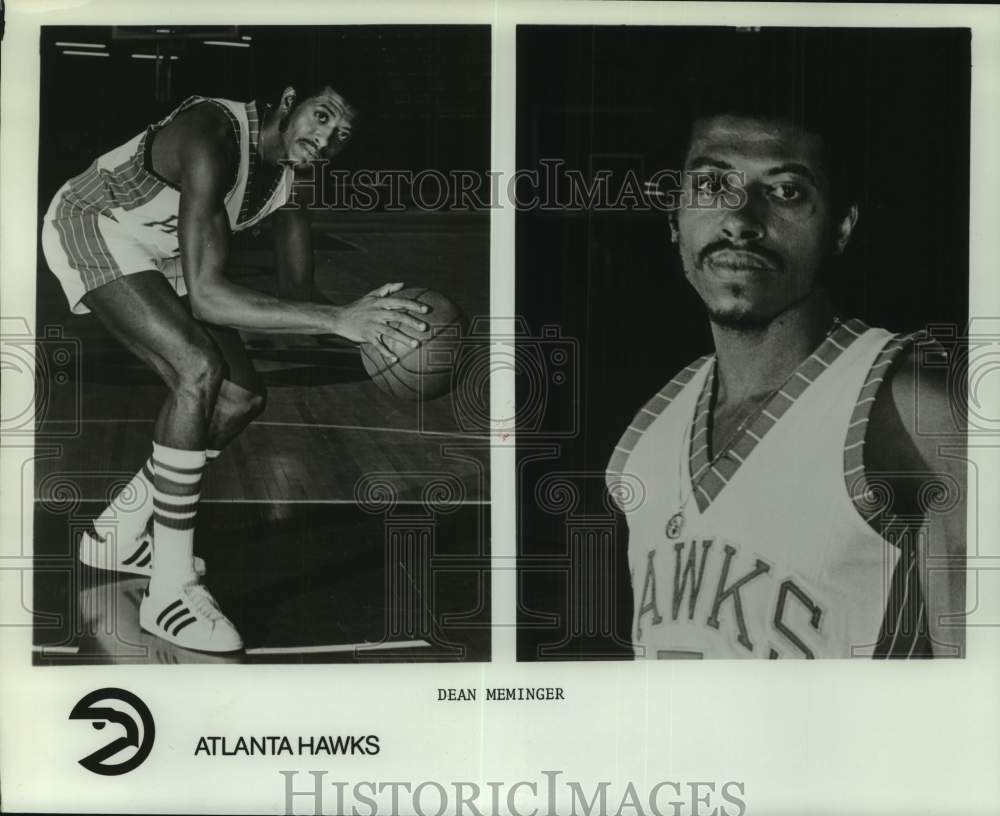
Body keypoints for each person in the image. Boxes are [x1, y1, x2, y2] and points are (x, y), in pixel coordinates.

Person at [42, 82, 431, 653]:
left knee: (241, 397)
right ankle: (169, 591)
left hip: (164, 256)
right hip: (94, 225)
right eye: (320, 116)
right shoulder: (213, 133)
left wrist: (376, 322)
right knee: (197, 369)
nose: (324, 139)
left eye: (341, 134)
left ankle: (118, 532)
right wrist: (338, 319)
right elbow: (208, 299)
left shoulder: (292, 182)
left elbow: (299, 291)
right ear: (288, 99)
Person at [605, 107, 966, 659]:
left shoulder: (913, 406)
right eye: (710, 184)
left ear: (841, 227)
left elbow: (981, 705)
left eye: (786, 191)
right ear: (674, 217)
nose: (739, 220)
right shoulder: (652, 427)